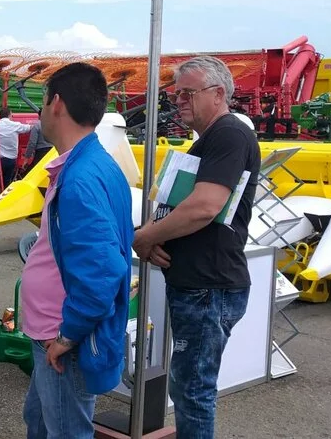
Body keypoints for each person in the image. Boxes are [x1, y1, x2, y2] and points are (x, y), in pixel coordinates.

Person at [132, 56, 260, 439]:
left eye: (188, 93)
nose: (179, 101)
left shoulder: (229, 135)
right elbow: (182, 206)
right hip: (201, 284)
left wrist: (146, 237)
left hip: (208, 287)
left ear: (218, 94)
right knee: (189, 387)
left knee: (192, 391)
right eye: (176, 94)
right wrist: (155, 235)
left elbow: (205, 206)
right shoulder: (211, 138)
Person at [19, 62, 134, 438]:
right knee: (40, 421)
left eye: (42, 102)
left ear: (56, 103)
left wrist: (68, 335)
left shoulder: (80, 178)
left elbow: (103, 270)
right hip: (56, 332)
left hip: (62, 337)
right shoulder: (90, 164)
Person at [0, 107, 34, 186]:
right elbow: (29, 128)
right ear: (9, 115)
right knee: (8, 180)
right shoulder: (15, 125)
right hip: (11, 159)